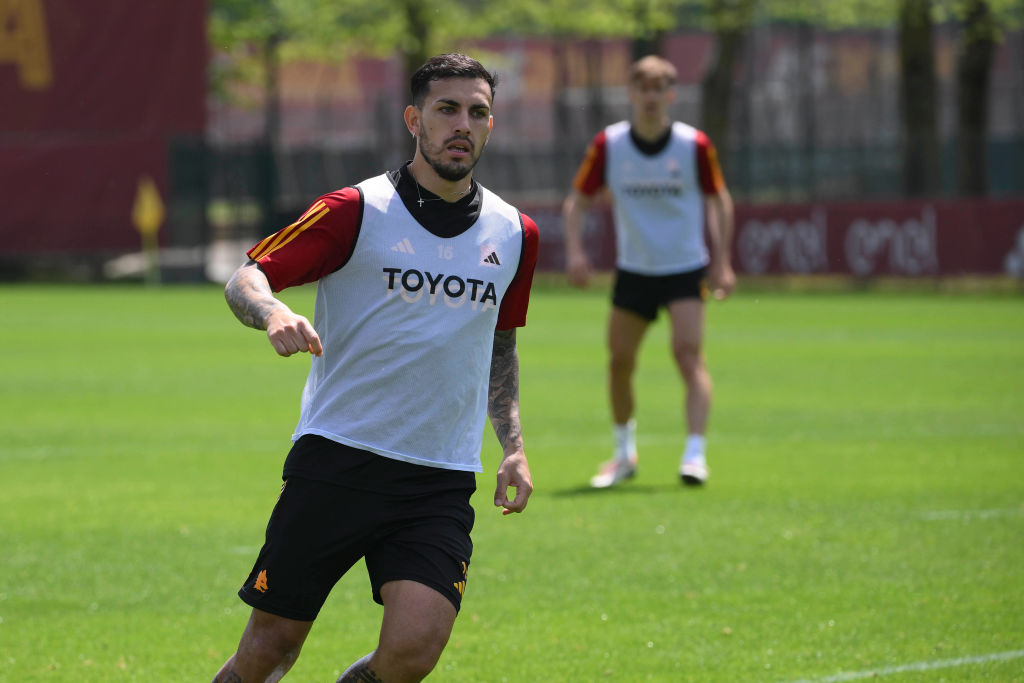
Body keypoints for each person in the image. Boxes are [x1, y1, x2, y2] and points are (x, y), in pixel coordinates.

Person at [213, 53, 538, 683]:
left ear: (492, 126)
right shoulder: (354, 210)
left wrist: (514, 445)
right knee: (270, 650)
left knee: (414, 649)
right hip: (339, 460)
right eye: (447, 109)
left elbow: (500, 343)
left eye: (477, 112)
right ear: (414, 118)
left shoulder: (516, 232)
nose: (462, 124)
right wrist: (272, 312)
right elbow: (244, 277)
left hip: (439, 477)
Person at [562, 55, 735, 489]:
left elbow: (720, 200)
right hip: (635, 270)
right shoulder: (610, 145)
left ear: (671, 95)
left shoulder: (694, 145)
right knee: (620, 361)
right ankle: (623, 454)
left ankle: (695, 455)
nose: (651, 97)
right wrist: (576, 252)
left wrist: (723, 260)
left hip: (684, 268)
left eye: (660, 89)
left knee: (687, 354)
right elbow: (576, 202)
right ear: (631, 94)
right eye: (644, 88)